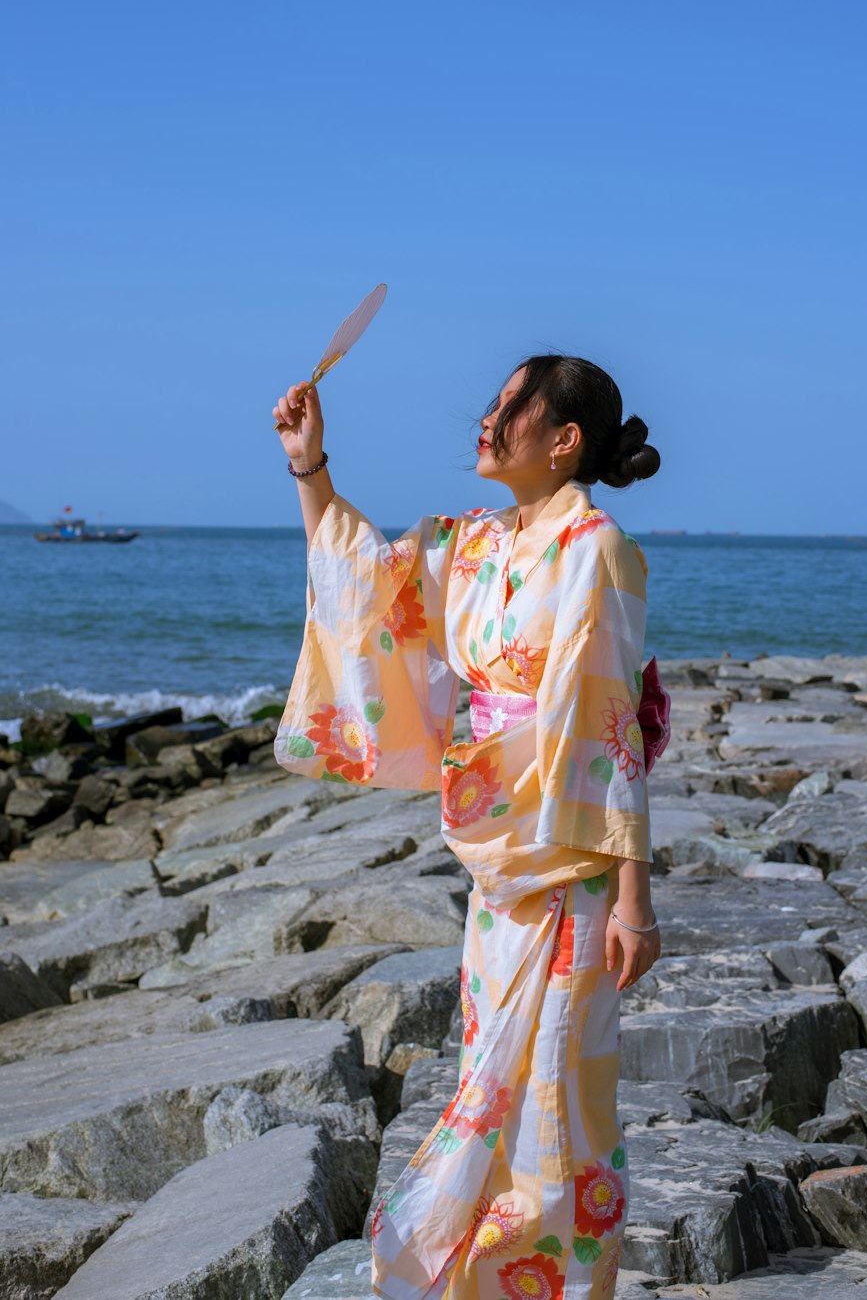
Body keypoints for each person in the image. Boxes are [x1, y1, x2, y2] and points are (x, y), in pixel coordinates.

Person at [272, 354, 665, 1300]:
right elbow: (362, 585)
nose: (485, 419)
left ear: (563, 439)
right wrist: (309, 466)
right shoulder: (479, 544)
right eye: (490, 403)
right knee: (491, 1088)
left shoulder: (596, 549)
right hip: (495, 871)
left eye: (508, 406)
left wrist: (633, 901)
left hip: (567, 869)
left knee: (558, 1113)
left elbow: (610, 731)